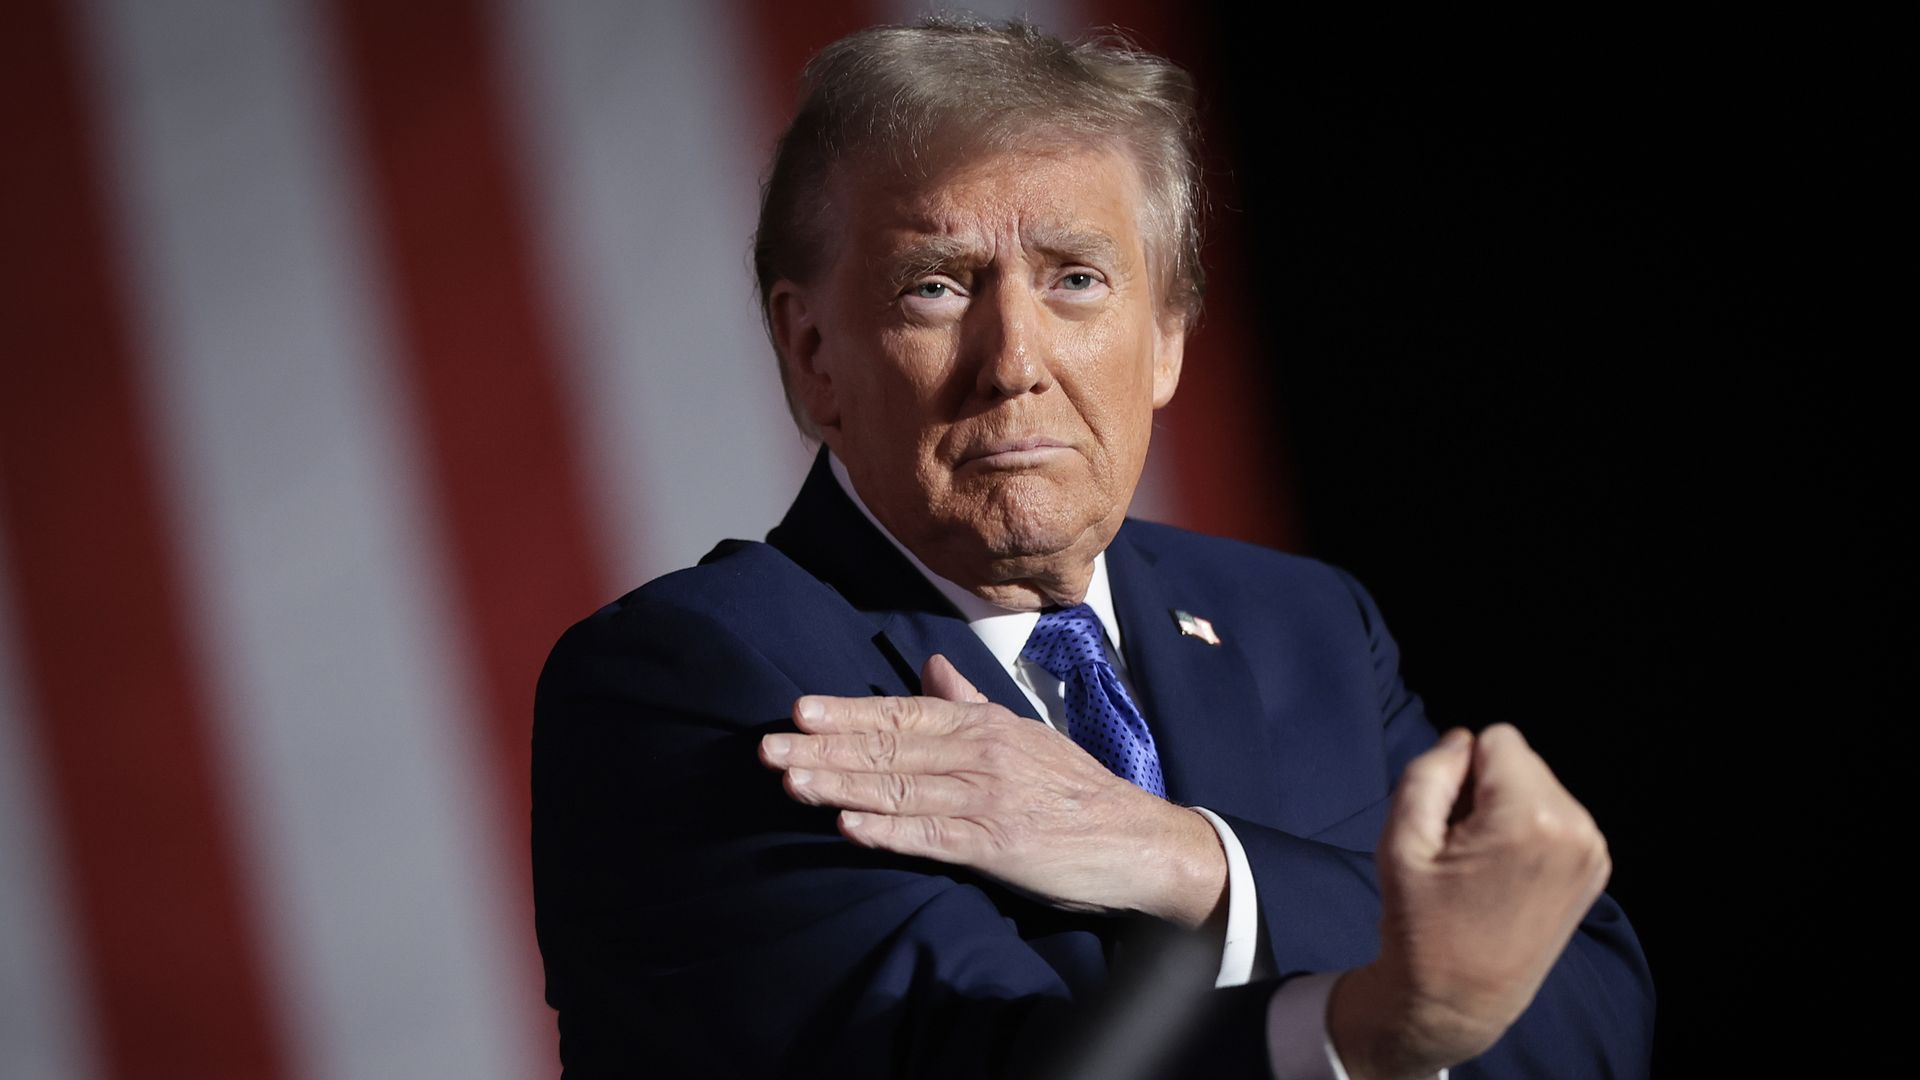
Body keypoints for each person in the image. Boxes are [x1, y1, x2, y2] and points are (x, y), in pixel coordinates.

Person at [531, 17, 1653, 1079]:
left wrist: (1189, 860)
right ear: (813, 351)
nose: (1015, 359)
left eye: (1075, 278)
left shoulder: (1300, 623)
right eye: (935, 287)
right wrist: (1371, 1024)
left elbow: (1591, 1017)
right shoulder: (689, 683)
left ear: (1165, 340)